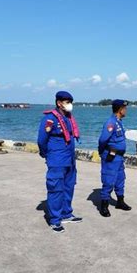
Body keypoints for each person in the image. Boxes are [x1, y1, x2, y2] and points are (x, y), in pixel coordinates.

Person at [37, 91, 83, 233]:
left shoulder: (68, 118)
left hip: (69, 159)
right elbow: (41, 140)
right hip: (57, 160)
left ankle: (66, 213)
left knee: (69, 186)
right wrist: (48, 155)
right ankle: (55, 220)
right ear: (59, 103)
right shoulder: (50, 119)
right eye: (67, 101)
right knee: (56, 189)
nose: (70, 104)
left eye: (71, 101)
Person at [98, 99, 131, 217]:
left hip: (119, 157)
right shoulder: (111, 123)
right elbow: (103, 140)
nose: (126, 110)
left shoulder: (119, 121)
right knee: (108, 179)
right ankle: (104, 206)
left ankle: (120, 201)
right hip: (111, 155)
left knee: (120, 179)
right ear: (120, 110)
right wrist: (102, 151)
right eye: (125, 108)